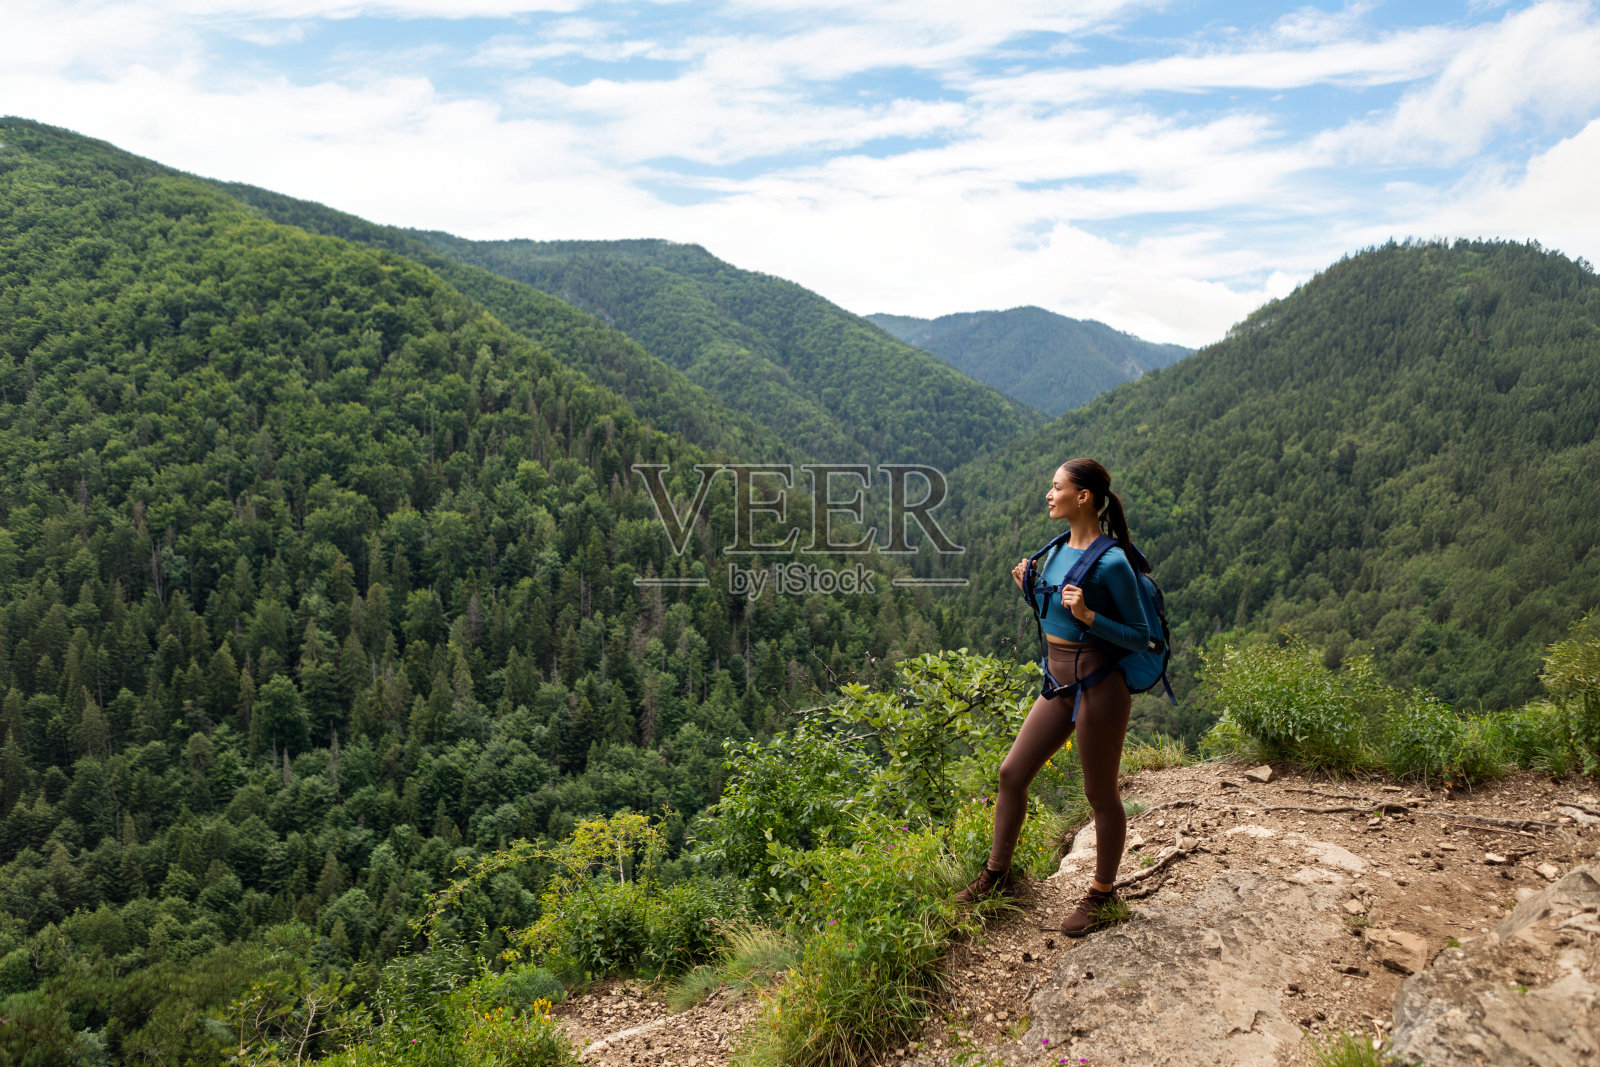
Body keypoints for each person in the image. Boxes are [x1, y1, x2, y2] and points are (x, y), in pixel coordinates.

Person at [955, 458, 1153, 937]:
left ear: (1082, 496)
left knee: (1099, 795)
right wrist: (1031, 589)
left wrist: (1089, 616)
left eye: (1056, 486)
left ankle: (1103, 894)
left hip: (1100, 689)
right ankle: (996, 875)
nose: (1049, 494)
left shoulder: (1113, 562)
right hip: (1059, 684)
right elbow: (1056, 615)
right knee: (1011, 773)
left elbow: (1141, 636)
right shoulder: (1058, 548)